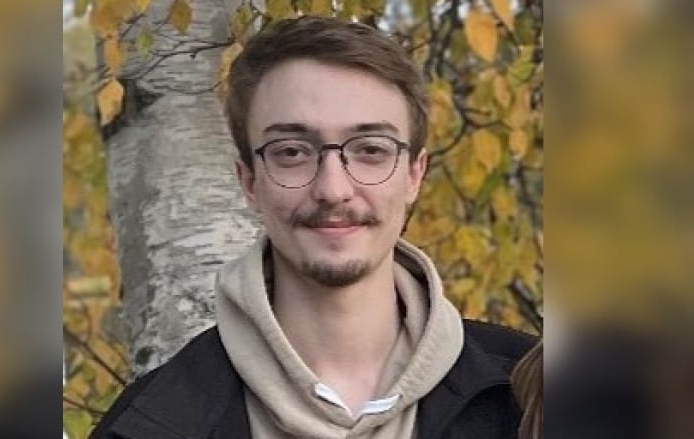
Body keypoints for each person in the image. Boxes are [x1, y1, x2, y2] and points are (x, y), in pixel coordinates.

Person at [90, 16, 536, 439]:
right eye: (292, 152)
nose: (333, 188)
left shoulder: (532, 401)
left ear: (415, 174)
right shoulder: (147, 425)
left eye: (370, 150)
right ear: (248, 180)